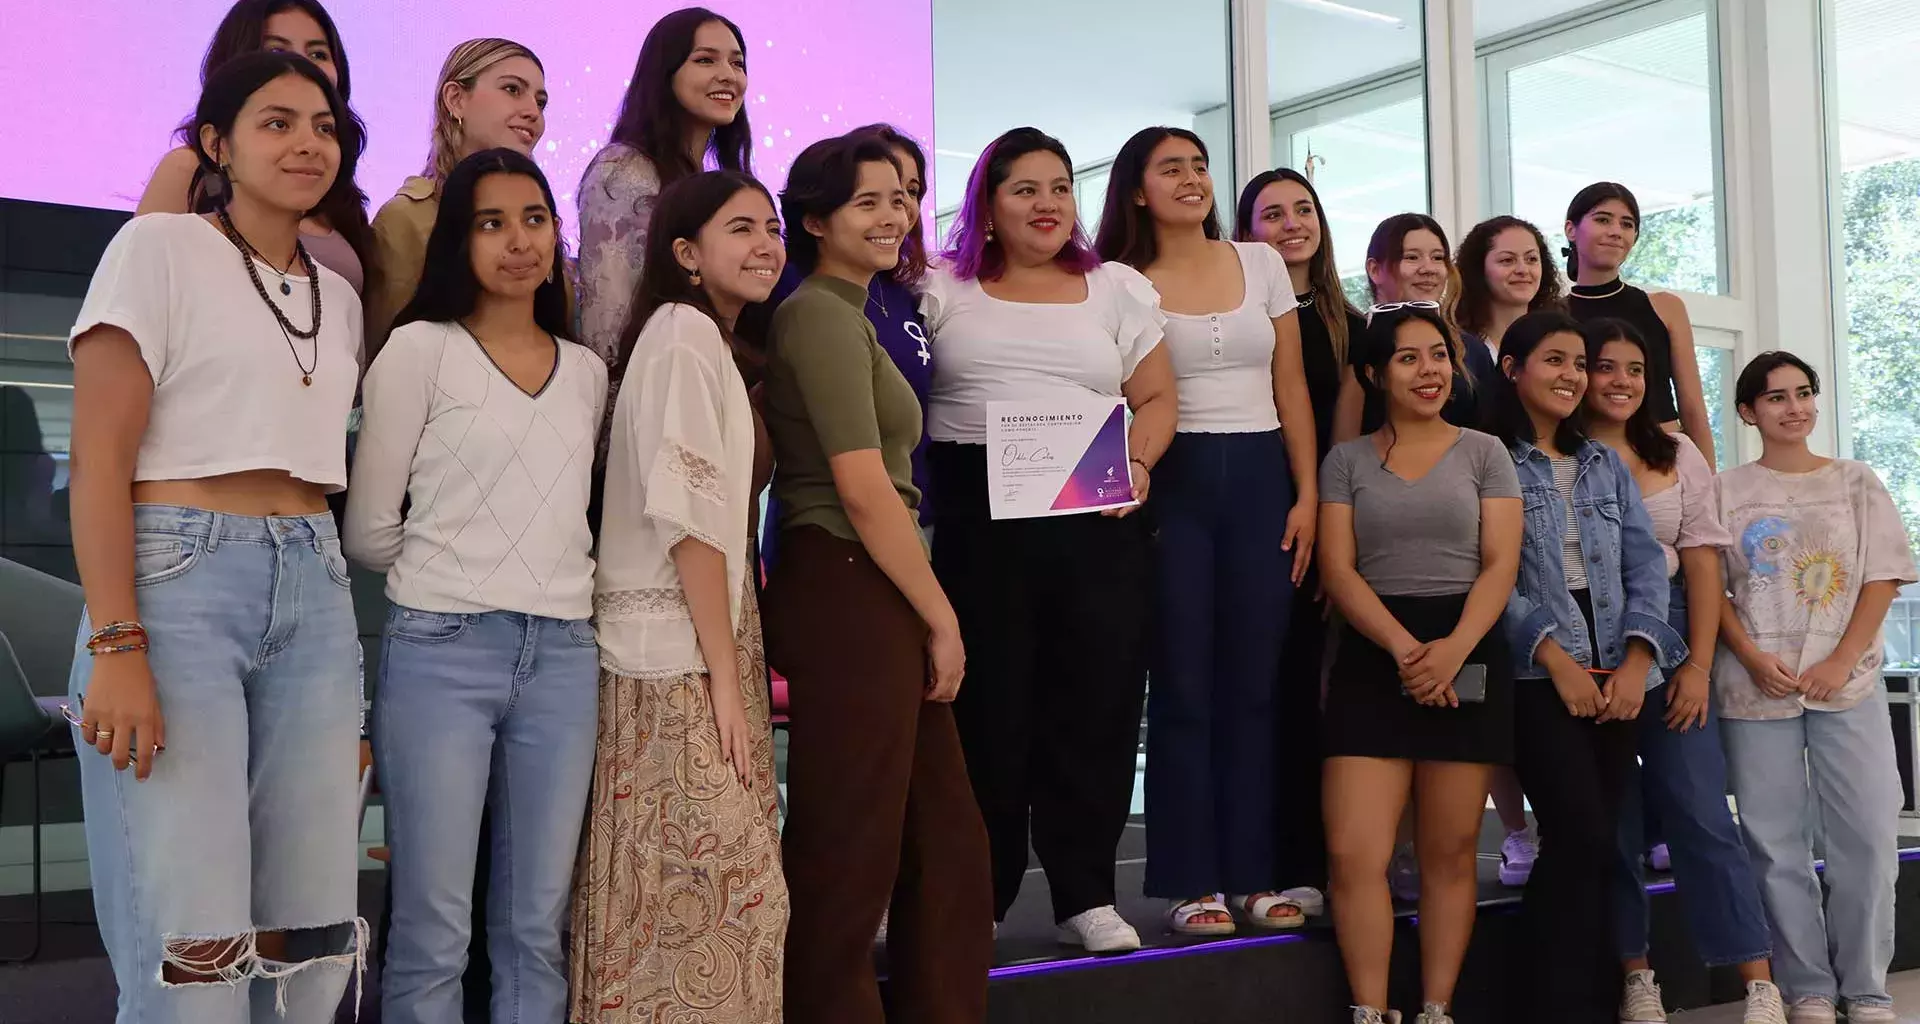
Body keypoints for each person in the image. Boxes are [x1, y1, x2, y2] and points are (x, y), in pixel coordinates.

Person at [66, 50, 367, 1023]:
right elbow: (101, 456)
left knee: (314, 939)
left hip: (316, 587)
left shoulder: (341, 295)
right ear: (215, 144)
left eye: (323, 125)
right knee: (194, 950)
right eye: (276, 122)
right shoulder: (158, 248)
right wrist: (116, 641)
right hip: (179, 577)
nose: (306, 142)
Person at [343, 149, 605, 1024]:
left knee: (536, 925)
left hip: (566, 657)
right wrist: (459, 567)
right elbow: (369, 530)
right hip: (441, 653)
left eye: (534, 218)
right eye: (489, 223)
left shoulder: (589, 372)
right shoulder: (417, 351)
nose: (518, 241)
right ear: (458, 241)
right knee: (432, 927)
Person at [920, 126, 1177, 953]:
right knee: (987, 714)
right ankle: (979, 895)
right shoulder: (939, 287)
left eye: (1060, 187)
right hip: (975, 522)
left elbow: (1160, 397)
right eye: (1024, 188)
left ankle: (1086, 893)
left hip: (1094, 519)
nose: (1047, 204)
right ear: (988, 205)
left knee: (1095, 705)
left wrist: (1140, 463)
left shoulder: (1117, 289)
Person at [763, 134, 992, 1024]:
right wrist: (942, 615)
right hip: (849, 581)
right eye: (866, 202)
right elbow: (861, 488)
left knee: (945, 844)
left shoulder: (859, 309)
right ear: (815, 220)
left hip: (879, 584)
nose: (892, 214)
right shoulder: (817, 312)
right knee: (847, 848)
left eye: (900, 197)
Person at [570, 170, 789, 1024]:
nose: (764, 243)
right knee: (710, 897)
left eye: (769, 228)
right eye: (740, 229)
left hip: (685, 650)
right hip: (674, 661)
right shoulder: (683, 337)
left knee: (691, 902)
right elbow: (690, 520)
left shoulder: (699, 340)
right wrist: (725, 677)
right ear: (686, 254)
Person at [1095, 129, 1317, 935]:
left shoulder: (1258, 261)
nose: (1191, 179)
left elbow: (1289, 384)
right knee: (1185, 689)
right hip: (1173, 484)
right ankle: (1192, 881)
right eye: (1170, 169)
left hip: (1265, 482)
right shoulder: (1118, 280)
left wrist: (1308, 495)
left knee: (1255, 688)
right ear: (1137, 190)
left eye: (1199, 165)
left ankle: (1254, 875)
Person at [1317, 305, 1521, 1024]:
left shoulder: (1485, 452)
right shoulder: (1344, 461)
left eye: (1439, 355)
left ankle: (1437, 1008)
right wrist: (1406, 651)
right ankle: (1369, 1010)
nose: (1430, 370)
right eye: (1408, 358)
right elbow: (1338, 571)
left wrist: (1453, 650)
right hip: (1376, 655)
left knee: (1450, 851)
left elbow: (1501, 565)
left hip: (1466, 646)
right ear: (1375, 374)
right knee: (1353, 854)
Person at [1579, 320, 1784, 1024]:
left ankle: (1757, 980)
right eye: (1606, 368)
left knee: (1701, 810)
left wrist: (1696, 665)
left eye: (1635, 369)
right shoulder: (1556, 452)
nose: (1621, 382)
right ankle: (1637, 975)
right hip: (1588, 641)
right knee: (1613, 821)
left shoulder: (1678, 451)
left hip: (1673, 633)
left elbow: (1703, 563)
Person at [1488, 309, 1685, 1024]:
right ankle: (1551, 1002)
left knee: (1599, 841)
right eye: (1555, 360)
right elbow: (1490, 576)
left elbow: (1645, 567)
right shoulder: (1487, 457)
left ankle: (1577, 999)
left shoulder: (1604, 463)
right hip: (1538, 673)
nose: (1573, 375)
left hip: (1618, 668)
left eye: (1580, 362)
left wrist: (1638, 660)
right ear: (1512, 369)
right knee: (1580, 832)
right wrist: (1555, 659)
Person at [1714, 351, 1913, 1024]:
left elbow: (1882, 576)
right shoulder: (1724, 490)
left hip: (1847, 685)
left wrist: (1840, 660)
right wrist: (1749, 655)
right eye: (1775, 397)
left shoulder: (1857, 481)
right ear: (1749, 411)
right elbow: (1709, 588)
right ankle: (1808, 990)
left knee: (1866, 838)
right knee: (1774, 846)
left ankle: (1866, 989)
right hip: (1754, 687)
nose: (1793, 407)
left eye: (1803, 393)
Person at [1235, 167, 1366, 917]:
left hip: (1334, 524)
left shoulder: (1352, 323)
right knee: (1271, 694)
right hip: (1263, 517)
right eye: (1272, 213)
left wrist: (1336, 532)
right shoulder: (1242, 313)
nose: (1292, 223)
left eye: (1304, 209)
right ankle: (1269, 860)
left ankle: (1322, 860)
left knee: (1322, 701)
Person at [1451, 213, 1568, 888]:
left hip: (1552, 521)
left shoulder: (1559, 336)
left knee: (1546, 685)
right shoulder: (1459, 345)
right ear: (1479, 267)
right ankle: (1513, 833)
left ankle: (1553, 820)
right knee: (1487, 690)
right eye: (1506, 259)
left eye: (1531, 258)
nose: (1521, 269)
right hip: (1476, 524)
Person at [135, 0, 373, 295]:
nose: (300, 65)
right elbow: (134, 294)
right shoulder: (189, 168)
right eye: (276, 50)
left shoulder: (333, 186)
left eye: (318, 53)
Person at [578, 7, 753, 372]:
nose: (727, 76)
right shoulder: (624, 171)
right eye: (705, 60)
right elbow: (607, 325)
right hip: (647, 395)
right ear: (665, 73)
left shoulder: (709, 180)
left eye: (737, 64)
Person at [365, 37, 553, 362]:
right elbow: (385, 355)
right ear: (456, 99)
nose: (533, 113)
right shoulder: (406, 219)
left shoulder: (542, 217)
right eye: (512, 89)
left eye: (541, 102)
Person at [1563, 182, 1715, 467]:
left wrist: (1709, 480)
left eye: (1627, 224)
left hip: (1665, 461)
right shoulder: (1554, 314)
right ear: (1571, 229)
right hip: (1586, 464)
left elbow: (1692, 405)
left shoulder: (1665, 307)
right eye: (1602, 219)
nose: (1615, 231)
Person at [1332, 214, 1493, 444]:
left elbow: (1489, 440)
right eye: (1412, 257)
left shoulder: (1471, 349)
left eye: (1438, 258)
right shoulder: (1353, 343)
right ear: (1374, 269)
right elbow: (1343, 449)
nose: (1428, 268)